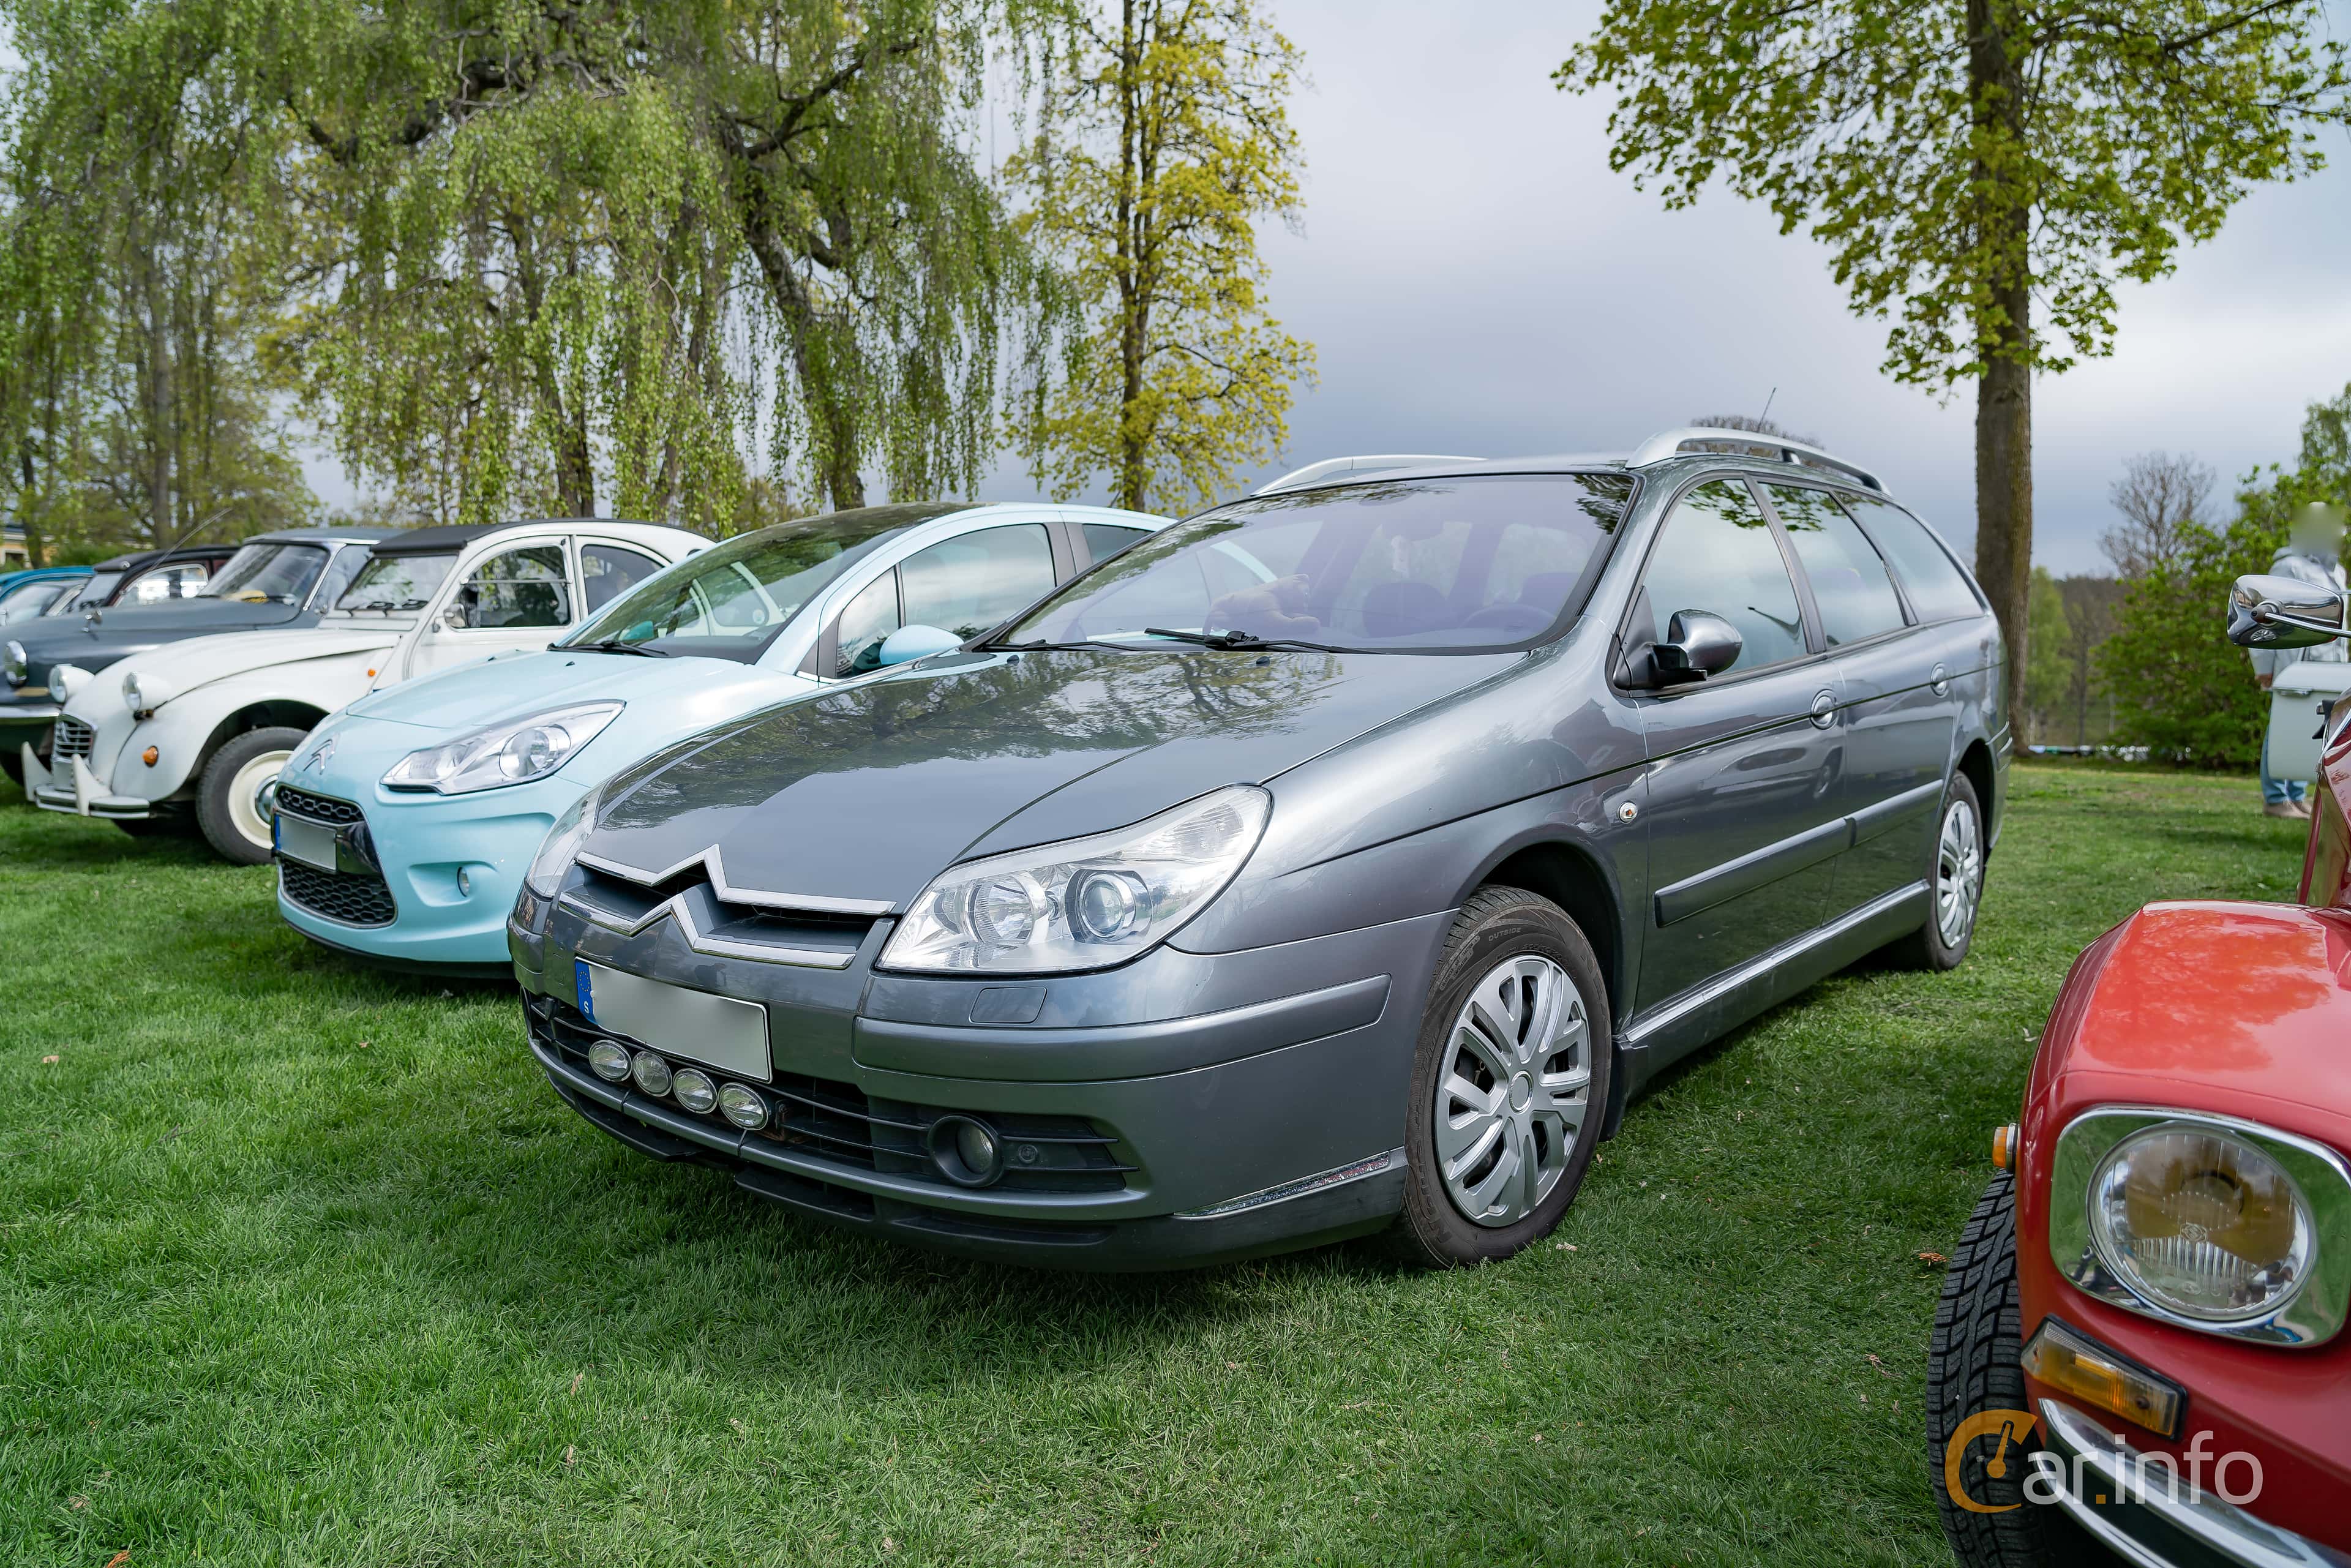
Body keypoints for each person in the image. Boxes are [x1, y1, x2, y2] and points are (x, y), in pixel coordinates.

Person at [2251, 501, 2349, 817]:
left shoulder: (2337, 570)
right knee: (2283, 724)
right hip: (2295, 663)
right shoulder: (2289, 566)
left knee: (2313, 729)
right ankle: (2276, 797)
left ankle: (2297, 794)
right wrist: (2264, 667)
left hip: (2329, 664)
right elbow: (2264, 616)